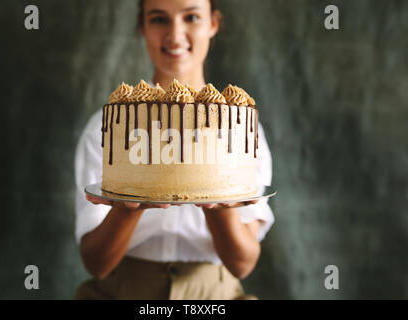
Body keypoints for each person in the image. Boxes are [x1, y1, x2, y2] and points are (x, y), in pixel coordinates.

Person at [74, 0, 274, 300]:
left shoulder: (240, 127)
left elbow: (242, 264)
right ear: (141, 26)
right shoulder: (110, 127)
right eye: (159, 19)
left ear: (213, 23)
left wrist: (217, 205)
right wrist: (127, 210)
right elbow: (95, 263)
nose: (175, 34)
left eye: (191, 17)